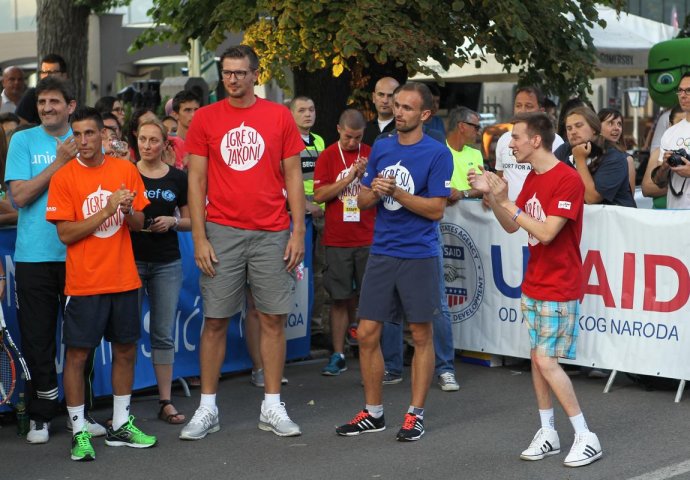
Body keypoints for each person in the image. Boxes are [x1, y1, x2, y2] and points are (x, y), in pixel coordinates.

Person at [180, 44, 305, 440]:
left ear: (255, 74)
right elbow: (196, 182)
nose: (232, 79)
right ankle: (207, 409)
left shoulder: (278, 116)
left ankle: (271, 406)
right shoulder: (205, 118)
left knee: (272, 319)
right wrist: (199, 237)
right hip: (221, 231)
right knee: (215, 320)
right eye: (227, 73)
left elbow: (293, 178)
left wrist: (297, 231)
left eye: (240, 72)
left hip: (272, 232)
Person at [469, 112, 602, 468]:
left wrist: (506, 201)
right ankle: (548, 432)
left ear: (536, 140)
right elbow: (512, 228)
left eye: (516, 137)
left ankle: (586, 436)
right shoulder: (532, 178)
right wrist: (494, 198)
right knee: (537, 360)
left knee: (545, 359)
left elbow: (545, 232)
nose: (509, 144)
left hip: (560, 283)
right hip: (535, 282)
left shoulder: (567, 179)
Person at [336, 82, 453, 441]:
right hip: (383, 251)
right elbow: (369, 199)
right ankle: (374, 413)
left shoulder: (437, 153)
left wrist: (398, 192)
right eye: (395, 105)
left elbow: (436, 209)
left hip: (418, 254)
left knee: (420, 335)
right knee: (367, 333)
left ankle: (415, 414)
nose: (397, 111)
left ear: (425, 115)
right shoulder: (383, 148)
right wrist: (359, 190)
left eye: (406, 107)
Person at [46, 106, 156, 461]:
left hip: (123, 278)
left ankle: (122, 424)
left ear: (103, 135)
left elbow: (139, 223)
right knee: (78, 356)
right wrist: (107, 210)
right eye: (76, 135)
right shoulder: (64, 178)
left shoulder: (125, 170)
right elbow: (66, 234)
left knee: (126, 349)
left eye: (89, 134)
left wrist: (126, 212)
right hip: (84, 283)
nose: (83, 141)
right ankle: (79, 430)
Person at [5, 76, 105, 443]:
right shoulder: (23, 140)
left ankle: (81, 414)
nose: (47, 108)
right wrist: (60, 163)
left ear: (71, 105)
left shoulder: (86, 139)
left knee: (83, 339)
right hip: (35, 257)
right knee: (37, 339)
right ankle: (41, 417)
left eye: (54, 102)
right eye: (43, 102)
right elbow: (20, 197)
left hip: (82, 255)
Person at [130, 119, 191, 425]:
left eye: (154, 140)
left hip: (167, 261)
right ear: (136, 141)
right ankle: (121, 405)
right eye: (142, 139)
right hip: (131, 260)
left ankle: (165, 401)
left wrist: (173, 222)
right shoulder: (126, 172)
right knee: (125, 333)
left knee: (163, 334)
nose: (148, 145)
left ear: (165, 144)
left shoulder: (178, 178)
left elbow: (193, 220)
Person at [313, 109, 373, 376]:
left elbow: (382, 190)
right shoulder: (327, 156)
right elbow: (319, 195)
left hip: (368, 237)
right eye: (348, 137)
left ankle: (369, 351)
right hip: (337, 238)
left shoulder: (371, 153)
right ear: (339, 129)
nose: (352, 143)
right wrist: (349, 178)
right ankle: (337, 354)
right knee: (338, 298)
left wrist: (366, 180)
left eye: (357, 137)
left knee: (369, 300)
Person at [495, 86, 564, 200]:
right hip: (507, 211)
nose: (522, 110)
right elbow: (500, 175)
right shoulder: (503, 139)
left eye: (528, 106)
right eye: (518, 105)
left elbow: (559, 177)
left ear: (541, 111)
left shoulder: (555, 140)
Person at [558, 107, 635, 207]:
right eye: (569, 128)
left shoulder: (614, 157)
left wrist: (580, 160)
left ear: (594, 129)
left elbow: (592, 198)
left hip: (613, 219)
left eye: (578, 126)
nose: (573, 132)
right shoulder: (566, 149)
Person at [650, 73, 690, 209]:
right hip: (675, 216)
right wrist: (665, 167)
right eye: (680, 91)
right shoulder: (670, 132)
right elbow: (659, 182)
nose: (683, 95)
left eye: (688, 90)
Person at [642, 104, 685, 208]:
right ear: (670, 125)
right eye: (679, 123)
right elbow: (647, 189)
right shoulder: (659, 151)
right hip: (661, 216)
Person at [15, 54, 68, 125]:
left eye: (53, 72)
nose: (47, 76)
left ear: (64, 75)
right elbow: (19, 120)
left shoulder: (68, 95)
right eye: (44, 72)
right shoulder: (32, 94)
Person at [597, 108, 635, 194]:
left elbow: (630, 196)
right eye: (610, 123)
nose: (617, 128)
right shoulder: (588, 154)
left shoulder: (627, 159)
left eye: (619, 124)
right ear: (598, 127)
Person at [363, 77, 400, 146]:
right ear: (373, 97)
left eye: (390, 96)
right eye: (381, 94)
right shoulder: (363, 130)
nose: (385, 101)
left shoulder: (403, 129)